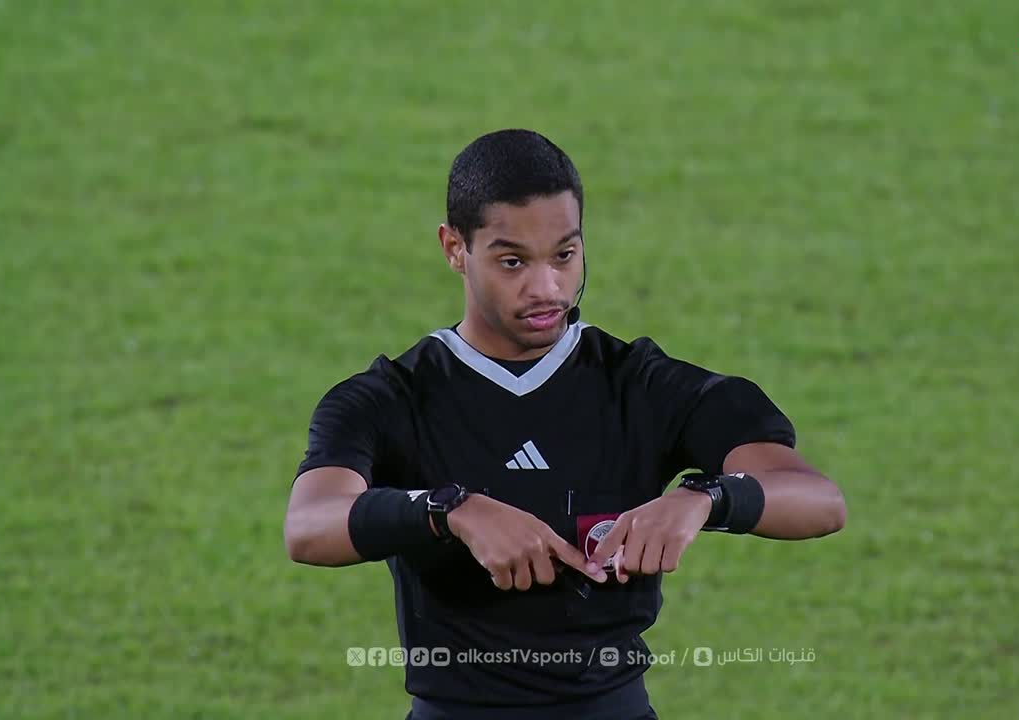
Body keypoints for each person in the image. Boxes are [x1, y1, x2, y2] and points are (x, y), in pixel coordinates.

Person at [284, 129, 847, 720]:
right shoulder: (389, 398)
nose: (547, 288)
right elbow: (309, 525)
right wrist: (450, 510)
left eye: (564, 255)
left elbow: (819, 500)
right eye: (512, 261)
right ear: (455, 248)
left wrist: (705, 499)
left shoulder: (640, 385)